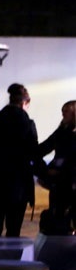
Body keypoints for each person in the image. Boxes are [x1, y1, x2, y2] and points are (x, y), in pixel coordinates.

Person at [0, 82, 39, 237]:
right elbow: (34, 153)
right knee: (14, 230)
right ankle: (10, 260)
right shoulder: (28, 124)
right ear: (25, 103)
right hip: (18, 185)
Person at [35, 100, 76, 234]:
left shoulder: (64, 132)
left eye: (66, 111)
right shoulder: (61, 131)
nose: (62, 113)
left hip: (69, 179)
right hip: (59, 180)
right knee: (57, 213)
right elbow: (44, 147)